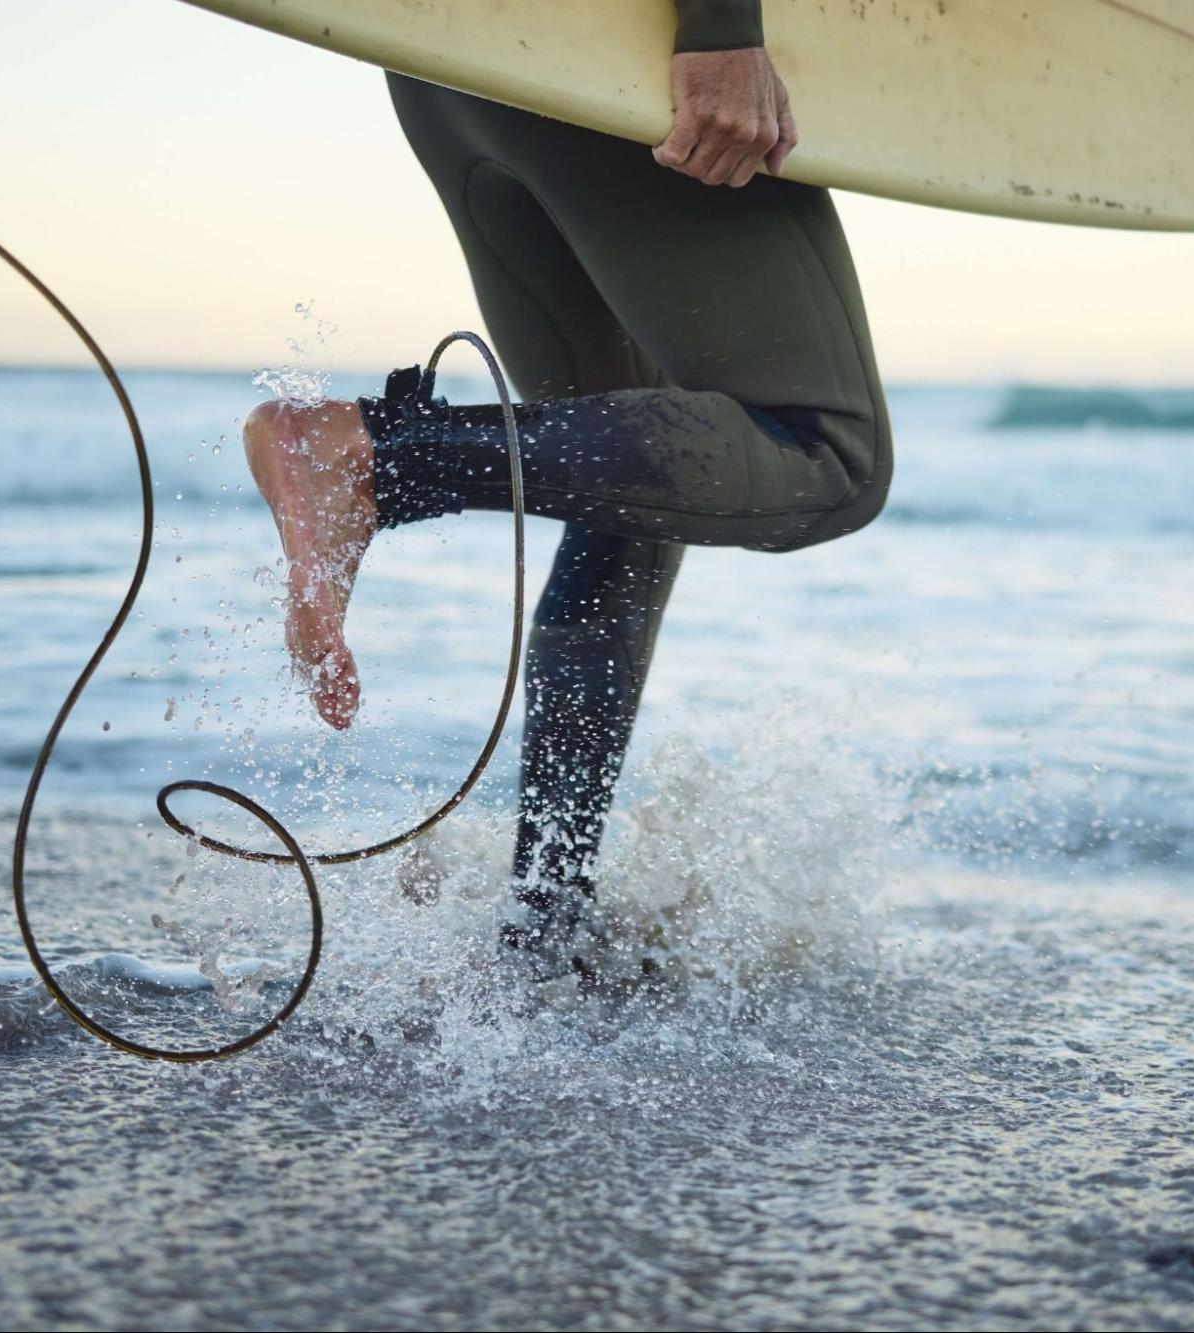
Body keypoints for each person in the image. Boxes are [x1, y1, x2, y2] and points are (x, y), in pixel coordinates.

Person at [243, 0, 891, 979]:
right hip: (612, 49)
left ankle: (544, 923)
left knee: (636, 468)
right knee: (829, 456)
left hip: (445, 62)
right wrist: (719, 32)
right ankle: (376, 456)